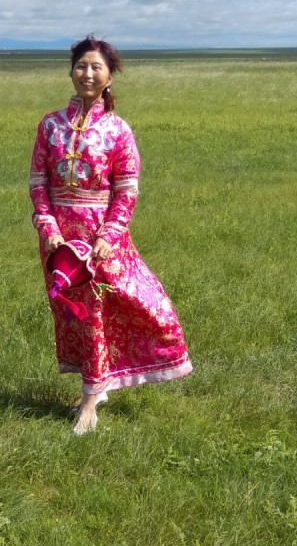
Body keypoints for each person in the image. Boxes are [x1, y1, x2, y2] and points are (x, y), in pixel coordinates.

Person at [29, 36, 192, 435]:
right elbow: (38, 181)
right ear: (71, 71)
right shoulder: (50, 125)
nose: (87, 74)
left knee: (109, 310)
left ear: (109, 77)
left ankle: (90, 400)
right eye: (81, 66)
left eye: (96, 67)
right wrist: (47, 227)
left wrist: (109, 236)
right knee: (75, 314)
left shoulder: (118, 130)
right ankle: (94, 387)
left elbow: (126, 190)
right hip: (59, 242)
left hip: (101, 241)